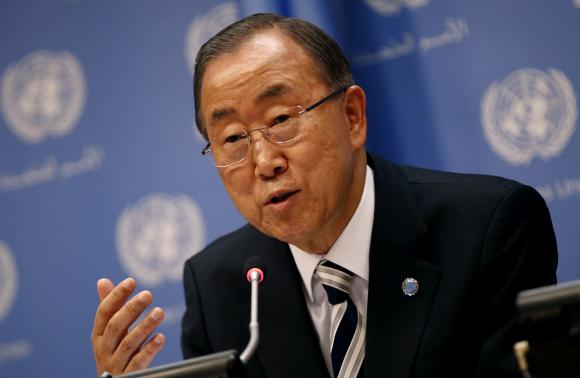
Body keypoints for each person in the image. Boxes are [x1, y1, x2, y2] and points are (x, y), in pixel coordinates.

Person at [91, 13, 558, 378]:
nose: (264, 160)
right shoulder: (219, 287)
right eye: (232, 138)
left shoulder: (489, 228)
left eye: (280, 120)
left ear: (352, 116)